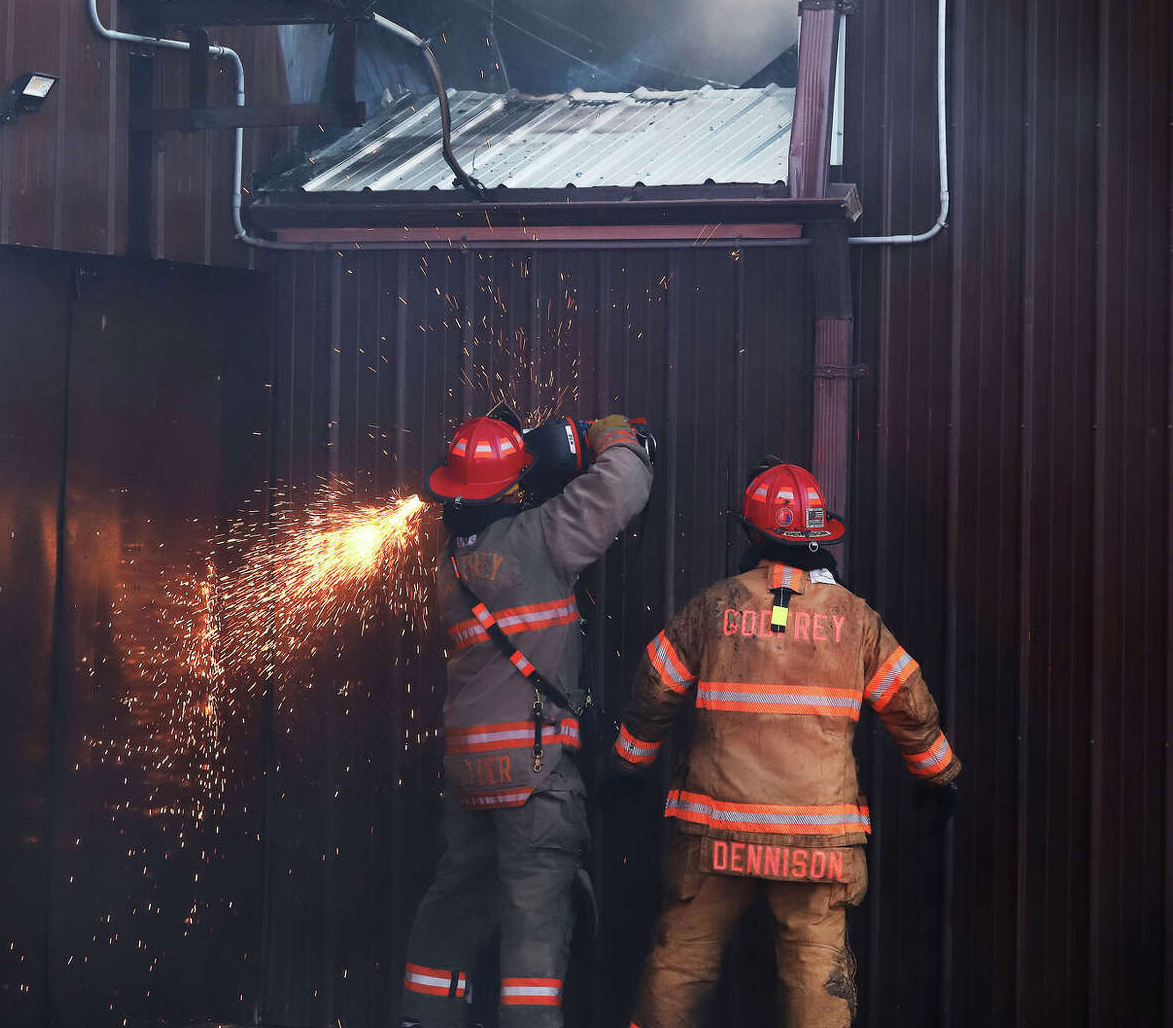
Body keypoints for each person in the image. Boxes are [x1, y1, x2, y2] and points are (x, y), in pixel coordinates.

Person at [613, 459, 959, 1028]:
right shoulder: (855, 620)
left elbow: (654, 690)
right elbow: (909, 704)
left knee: (681, 963)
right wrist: (939, 777)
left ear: (752, 533)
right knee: (816, 971)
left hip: (716, 833)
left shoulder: (713, 607)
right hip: (815, 840)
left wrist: (627, 766)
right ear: (820, 535)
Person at [400, 407, 653, 1027]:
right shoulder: (543, 537)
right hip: (535, 776)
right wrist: (614, 434)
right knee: (536, 924)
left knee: (456, 902)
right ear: (517, 486)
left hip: (468, 773)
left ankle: (422, 1018)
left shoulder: (450, 565)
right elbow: (624, 483)